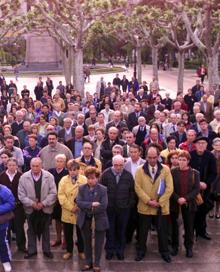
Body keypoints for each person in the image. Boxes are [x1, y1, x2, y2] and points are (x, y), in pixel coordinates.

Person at [135, 145, 173, 263]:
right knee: (142, 231)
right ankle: (141, 251)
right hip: (145, 207)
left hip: (161, 207)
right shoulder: (140, 170)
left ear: (158, 156)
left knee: (162, 231)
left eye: (154, 157)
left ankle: (164, 252)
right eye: (150, 157)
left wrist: (159, 202)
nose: (152, 160)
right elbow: (137, 188)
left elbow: (169, 188)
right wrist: (148, 201)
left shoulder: (166, 169)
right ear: (146, 157)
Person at [18, 158, 57, 259]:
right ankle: (32, 250)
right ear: (30, 166)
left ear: (41, 166)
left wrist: (43, 203)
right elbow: (21, 195)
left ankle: (47, 250)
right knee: (31, 230)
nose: (35, 168)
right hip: (30, 209)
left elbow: (53, 193)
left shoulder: (49, 176)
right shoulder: (23, 177)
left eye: (37, 166)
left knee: (45, 230)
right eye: (33, 166)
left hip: (45, 208)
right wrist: (32, 203)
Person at [100, 155, 135, 260]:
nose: (118, 168)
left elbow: (132, 192)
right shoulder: (106, 174)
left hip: (123, 209)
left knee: (121, 230)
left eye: (120, 165)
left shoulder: (128, 176)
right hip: (109, 208)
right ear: (112, 164)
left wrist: (129, 205)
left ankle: (120, 250)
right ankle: (110, 250)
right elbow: (102, 191)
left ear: (123, 165)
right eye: (116, 165)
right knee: (110, 230)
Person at [77, 166, 109, 272]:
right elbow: (79, 203)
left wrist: (88, 208)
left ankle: (97, 264)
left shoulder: (103, 189)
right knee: (87, 242)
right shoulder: (82, 188)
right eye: (89, 178)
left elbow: (103, 205)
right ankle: (88, 262)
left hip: (99, 220)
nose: (91, 180)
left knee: (99, 243)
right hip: (85, 219)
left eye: (93, 178)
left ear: (97, 178)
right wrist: (92, 204)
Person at [170, 151, 200, 258]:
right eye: (180, 159)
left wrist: (185, 198)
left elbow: (196, 189)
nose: (181, 162)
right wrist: (178, 198)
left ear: (188, 161)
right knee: (174, 226)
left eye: (184, 160)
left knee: (189, 226)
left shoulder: (194, 173)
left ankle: (189, 247)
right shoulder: (173, 172)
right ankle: (175, 246)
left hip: (189, 204)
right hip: (175, 203)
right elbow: (170, 188)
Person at [58, 159, 87, 260]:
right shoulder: (63, 180)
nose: (72, 172)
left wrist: (79, 206)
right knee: (68, 233)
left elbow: (87, 194)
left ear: (79, 170)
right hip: (67, 211)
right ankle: (69, 251)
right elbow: (61, 196)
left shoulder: (84, 180)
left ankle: (81, 251)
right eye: (70, 170)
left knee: (81, 233)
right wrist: (71, 207)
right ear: (68, 170)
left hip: (80, 210)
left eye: (75, 169)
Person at [190, 136, 217, 240]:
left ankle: (201, 231)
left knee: (202, 210)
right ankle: (190, 231)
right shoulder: (191, 155)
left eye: (203, 143)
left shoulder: (210, 156)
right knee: (191, 211)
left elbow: (213, 173)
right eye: (199, 143)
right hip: (192, 188)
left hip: (205, 188)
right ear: (195, 145)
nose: (201, 145)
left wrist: (206, 183)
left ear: (206, 145)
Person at [0, 158, 26, 252]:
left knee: (19, 227)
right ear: (6, 165)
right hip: (6, 207)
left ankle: (22, 246)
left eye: (13, 165)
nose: (11, 167)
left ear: (17, 166)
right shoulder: (2, 176)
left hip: (18, 206)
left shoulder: (21, 176)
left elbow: (24, 190)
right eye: (10, 165)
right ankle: (6, 247)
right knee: (7, 228)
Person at [48, 154, 68, 247]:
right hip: (54, 200)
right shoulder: (50, 172)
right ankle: (58, 239)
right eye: (57, 161)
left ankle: (65, 240)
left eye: (61, 161)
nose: (59, 163)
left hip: (64, 200)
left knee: (65, 221)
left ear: (64, 163)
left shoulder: (67, 173)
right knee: (57, 220)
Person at [0, 184, 15, 272]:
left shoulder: (4, 190)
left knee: (2, 242)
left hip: (1, 223)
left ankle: (5, 260)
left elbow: (11, 204)